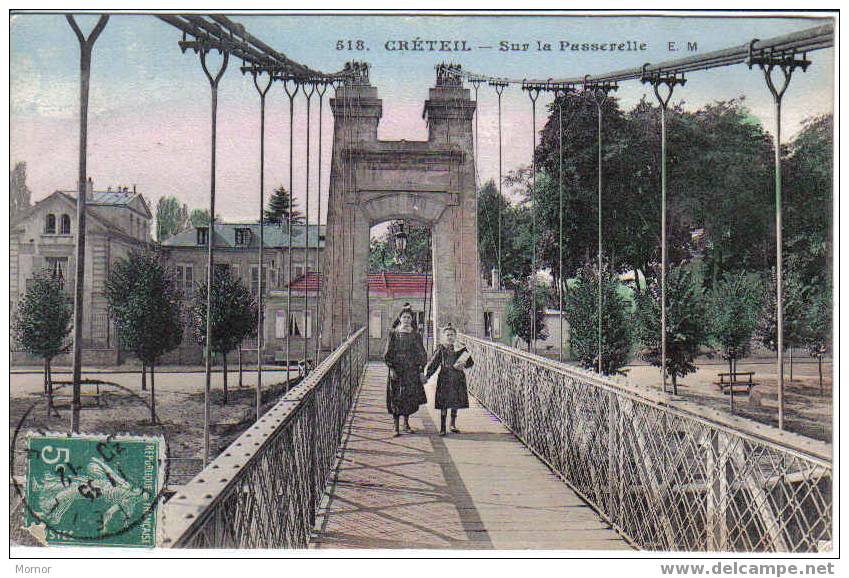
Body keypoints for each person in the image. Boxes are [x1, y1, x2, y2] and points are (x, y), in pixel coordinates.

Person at [384, 305, 428, 437]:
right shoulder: (394, 334)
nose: (407, 319)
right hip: (397, 369)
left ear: (412, 319)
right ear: (400, 318)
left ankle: (406, 424)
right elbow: (388, 352)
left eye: (409, 317)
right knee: (396, 396)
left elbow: (421, 353)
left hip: (411, 370)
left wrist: (421, 370)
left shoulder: (416, 335)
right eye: (404, 317)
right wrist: (391, 368)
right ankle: (396, 426)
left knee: (408, 397)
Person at [425, 323, 474, 436]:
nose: (450, 337)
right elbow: (434, 363)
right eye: (447, 335)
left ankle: (452, 424)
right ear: (444, 336)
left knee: (455, 402)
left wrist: (464, 365)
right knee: (444, 403)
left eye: (452, 335)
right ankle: (442, 427)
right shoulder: (441, 348)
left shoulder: (461, 348)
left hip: (457, 378)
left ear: (455, 336)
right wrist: (427, 375)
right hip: (445, 378)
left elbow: (470, 362)